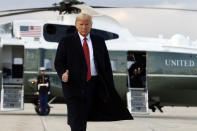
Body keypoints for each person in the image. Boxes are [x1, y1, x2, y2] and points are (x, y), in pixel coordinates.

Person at [54, 13, 133, 131]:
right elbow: (59, 62)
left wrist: (109, 85)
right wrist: (62, 73)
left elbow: (106, 64)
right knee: (77, 116)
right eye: (81, 24)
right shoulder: (66, 41)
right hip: (74, 85)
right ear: (76, 25)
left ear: (91, 25)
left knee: (83, 116)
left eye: (87, 24)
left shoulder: (99, 41)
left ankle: (74, 122)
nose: (84, 27)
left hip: (93, 85)